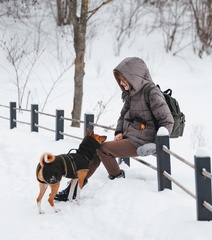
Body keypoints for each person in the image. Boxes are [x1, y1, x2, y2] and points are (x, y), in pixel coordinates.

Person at [54, 57, 174, 201]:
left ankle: (117, 178)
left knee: (103, 149)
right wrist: (119, 132)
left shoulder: (152, 92)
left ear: (134, 77)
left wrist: (156, 145)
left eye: (124, 80)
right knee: (95, 150)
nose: (122, 84)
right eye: (120, 81)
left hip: (145, 142)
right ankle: (75, 185)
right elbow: (122, 117)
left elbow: (167, 121)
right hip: (131, 137)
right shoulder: (131, 95)